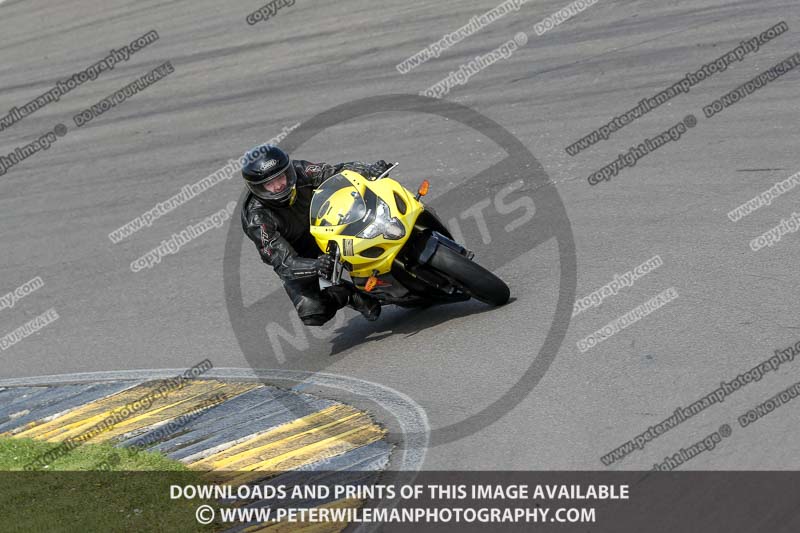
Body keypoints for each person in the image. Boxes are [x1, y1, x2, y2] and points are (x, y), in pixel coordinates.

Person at [240, 144, 391, 326]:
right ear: (258, 188)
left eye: (281, 177)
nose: (279, 185)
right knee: (312, 311)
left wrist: (367, 170)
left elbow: (336, 171)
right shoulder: (257, 218)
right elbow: (285, 263)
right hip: (302, 253)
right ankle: (348, 294)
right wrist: (316, 266)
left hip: (330, 226)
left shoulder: (299, 171)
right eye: (270, 184)